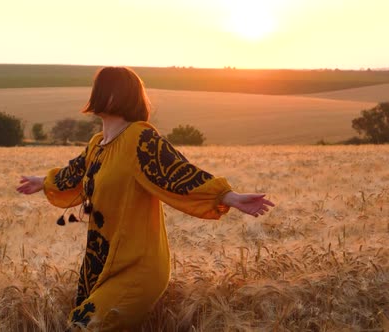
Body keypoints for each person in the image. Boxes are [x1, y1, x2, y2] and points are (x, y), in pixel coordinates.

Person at [16, 66, 274, 331]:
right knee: (79, 323)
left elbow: (177, 172)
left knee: (84, 326)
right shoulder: (96, 144)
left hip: (137, 266)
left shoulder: (140, 137)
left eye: (104, 87)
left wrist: (227, 196)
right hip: (100, 263)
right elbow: (75, 174)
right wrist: (43, 182)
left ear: (120, 95)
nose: (98, 93)